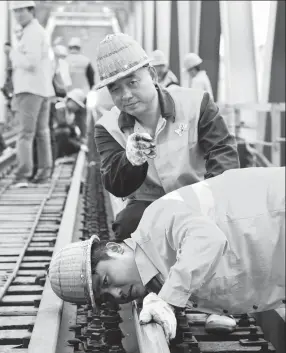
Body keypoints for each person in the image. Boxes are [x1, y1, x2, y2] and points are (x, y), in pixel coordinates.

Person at [49, 166, 285, 342]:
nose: (117, 293)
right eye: (106, 297)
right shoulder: (163, 272)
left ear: (115, 248)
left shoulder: (156, 220)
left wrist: (169, 299)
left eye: (107, 281)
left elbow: (208, 241)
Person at [94, 33, 240, 241]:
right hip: (149, 204)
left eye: (133, 82)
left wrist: (210, 200)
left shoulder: (196, 104)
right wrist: (130, 161)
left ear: (152, 75)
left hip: (198, 196)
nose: (125, 95)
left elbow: (223, 154)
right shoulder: (107, 127)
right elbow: (115, 185)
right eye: (115, 89)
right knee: (128, 226)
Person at [9, 1, 54, 188]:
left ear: (31, 11)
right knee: (42, 133)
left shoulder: (32, 33)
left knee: (25, 134)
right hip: (41, 88)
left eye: (21, 10)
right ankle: (44, 172)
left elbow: (31, 61)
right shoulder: (37, 31)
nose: (18, 15)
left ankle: (22, 175)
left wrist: (11, 53)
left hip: (29, 89)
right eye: (15, 11)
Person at [54, 88, 88, 159]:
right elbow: (62, 123)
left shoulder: (72, 113)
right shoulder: (60, 107)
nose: (77, 108)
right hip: (56, 135)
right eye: (77, 105)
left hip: (64, 135)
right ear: (70, 100)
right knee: (64, 132)